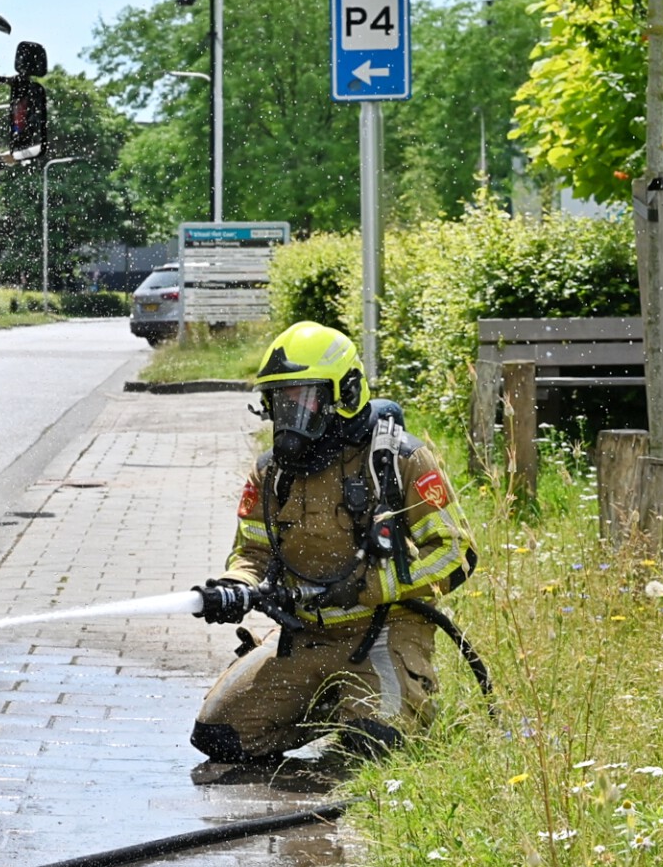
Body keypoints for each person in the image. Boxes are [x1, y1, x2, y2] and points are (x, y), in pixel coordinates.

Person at [189, 321, 476, 762]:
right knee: (221, 736)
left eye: (302, 399)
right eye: (279, 401)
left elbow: (456, 554)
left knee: (375, 744)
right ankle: (331, 699)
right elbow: (251, 551)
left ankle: (365, 704)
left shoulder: (400, 461)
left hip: (383, 632)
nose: (289, 416)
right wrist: (234, 586)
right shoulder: (271, 474)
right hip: (304, 635)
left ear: (346, 392)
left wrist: (373, 588)